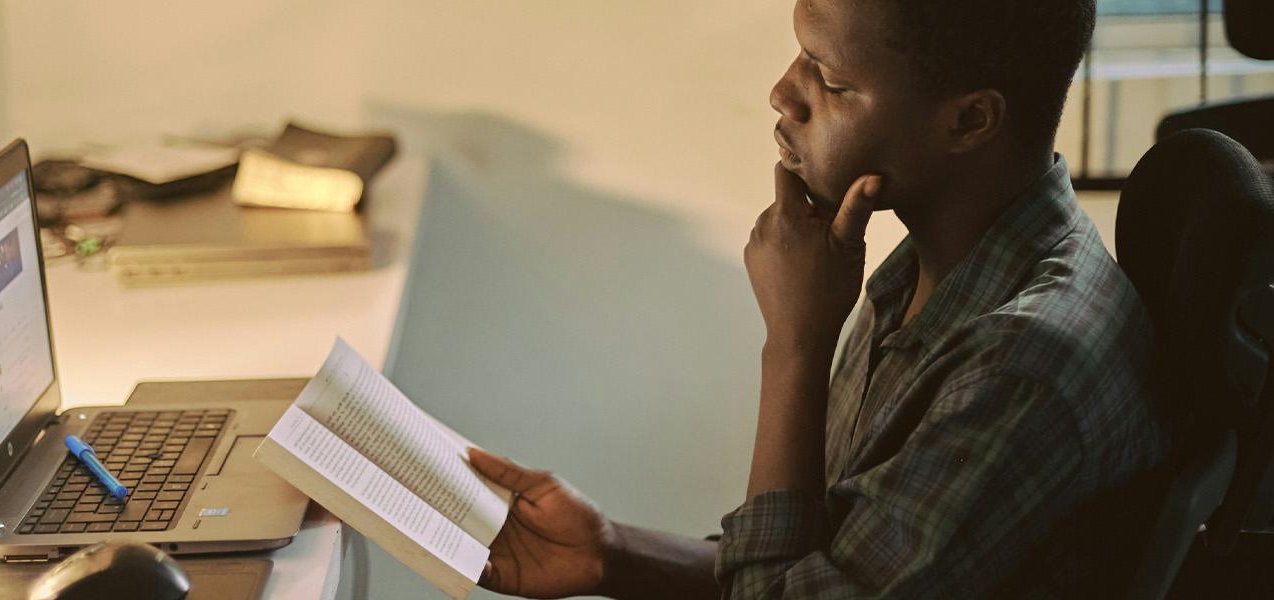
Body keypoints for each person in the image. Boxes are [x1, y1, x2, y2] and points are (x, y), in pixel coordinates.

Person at [467, 0, 1170, 597]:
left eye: (830, 80)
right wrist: (608, 550)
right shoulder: (930, 272)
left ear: (969, 122)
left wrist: (795, 343)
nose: (783, 93)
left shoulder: (1021, 365)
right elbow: (829, 565)